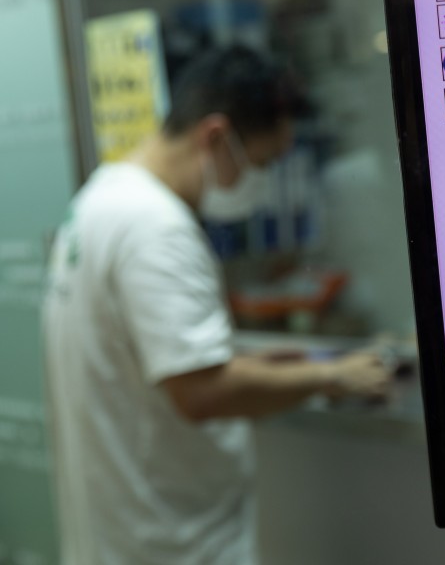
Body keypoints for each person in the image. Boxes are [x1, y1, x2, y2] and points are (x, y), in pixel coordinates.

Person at [42, 45, 392, 564]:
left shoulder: (103, 198)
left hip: (119, 534)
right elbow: (200, 391)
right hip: (168, 544)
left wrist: (289, 362)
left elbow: (161, 364)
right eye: (263, 163)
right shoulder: (155, 229)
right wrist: (332, 376)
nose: (263, 182)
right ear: (215, 137)